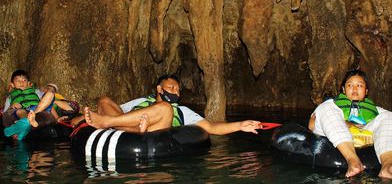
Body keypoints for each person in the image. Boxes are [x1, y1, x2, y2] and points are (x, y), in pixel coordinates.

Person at [81, 74, 262, 135]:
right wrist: (80, 119)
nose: (176, 92)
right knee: (104, 100)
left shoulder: (181, 110)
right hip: (131, 129)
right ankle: (133, 129)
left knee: (166, 109)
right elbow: (110, 109)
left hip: (156, 132)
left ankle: (108, 124)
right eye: (172, 87)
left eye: (178, 89)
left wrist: (240, 125)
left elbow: (211, 127)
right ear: (160, 89)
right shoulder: (141, 102)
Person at [308, 69, 392, 182]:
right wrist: (346, 123)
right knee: (325, 108)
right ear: (343, 89)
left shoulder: (375, 111)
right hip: (334, 133)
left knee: (390, 116)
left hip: (365, 132)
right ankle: (353, 160)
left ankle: (387, 166)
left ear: (366, 91)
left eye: (360, 85)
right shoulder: (332, 105)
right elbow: (312, 125)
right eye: (350, 85)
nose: (355, 89)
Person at [2, 70, 56, 139]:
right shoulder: (10, 97)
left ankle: (27, 122)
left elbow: (47, 103)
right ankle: (27, 122)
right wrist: (12, 106)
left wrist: (57, 118)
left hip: (37, 111)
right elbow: (5, 113)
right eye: (18, 80)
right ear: (12, 84)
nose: (21, 82)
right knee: (20, 111)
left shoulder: (35, 91)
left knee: (51, 93)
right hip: (23, 113)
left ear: (28, 83)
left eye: (24, 80)